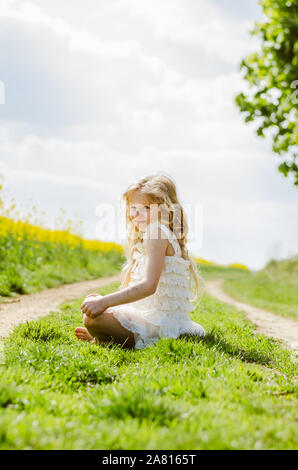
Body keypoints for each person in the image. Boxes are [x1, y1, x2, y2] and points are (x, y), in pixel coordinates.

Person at [75, 173, 206, 350]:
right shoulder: (160, 233)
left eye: (145, 207)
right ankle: (104, 335)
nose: (136, 214)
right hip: (157, 318)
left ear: (164, 208)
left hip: (158, 323)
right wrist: (102, 303)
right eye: (133, 207)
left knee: (93, 317)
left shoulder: (157, 232)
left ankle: (105, 336)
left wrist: (104, 302)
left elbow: (149, 285)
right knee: (92, 303)